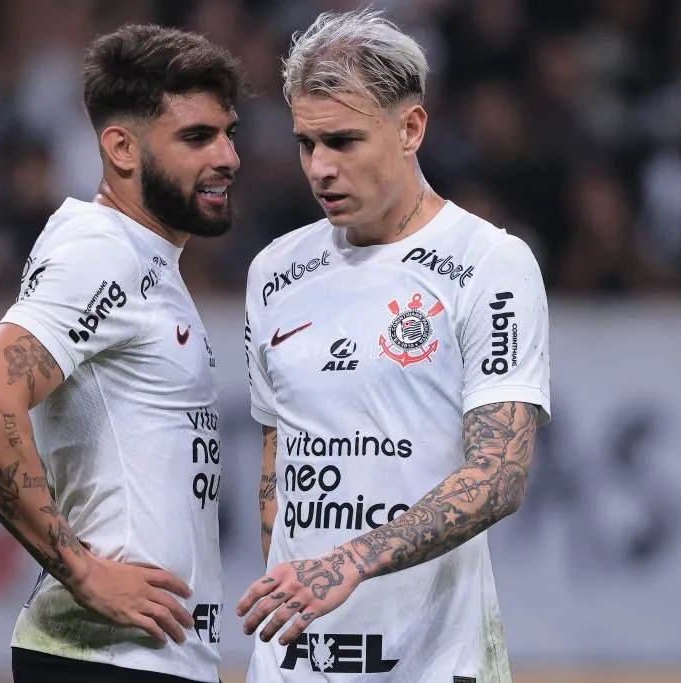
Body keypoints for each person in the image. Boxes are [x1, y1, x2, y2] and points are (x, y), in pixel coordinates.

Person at [237, 9, 550, 682]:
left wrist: (347, 561)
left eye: (344, 141)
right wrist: (292, 589)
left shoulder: (489, 263)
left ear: (410, 128)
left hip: (432, 660)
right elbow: (277, 459)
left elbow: (500, 475)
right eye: (305, 143)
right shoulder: (274, 272)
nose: (319, 168)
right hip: (296, 660)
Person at [0, 24, 243, 683]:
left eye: (229, 132)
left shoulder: (148, 261)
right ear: (121, 148)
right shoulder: (101, 250)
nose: (228, 156)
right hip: (108, 656)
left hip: (148, 656)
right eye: (198, 137)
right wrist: (82, 571)